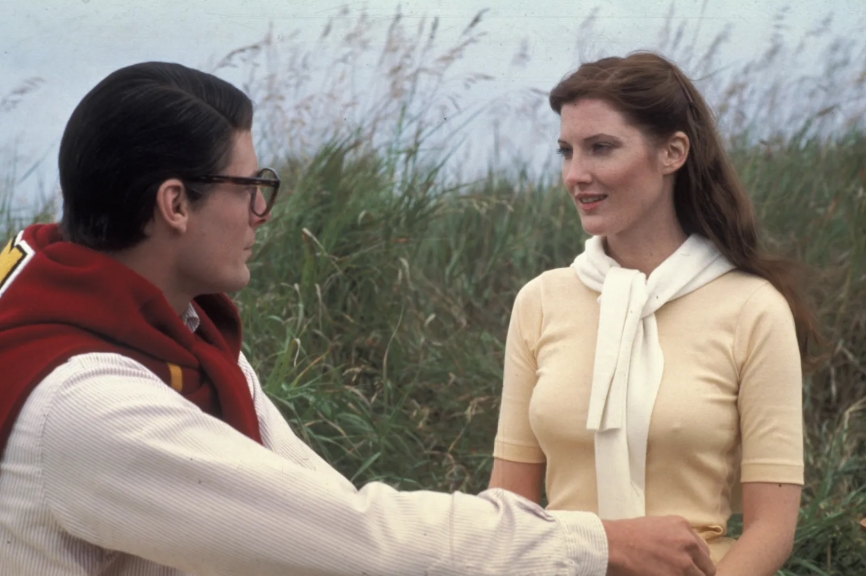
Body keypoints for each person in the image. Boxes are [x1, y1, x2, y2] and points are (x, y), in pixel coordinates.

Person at [0, 61, 715, 576]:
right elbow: (354, 539)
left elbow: (323, 509)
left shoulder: (181, 333)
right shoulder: (86, 406)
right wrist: (594, 546)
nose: (261, 213)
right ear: (175, 204)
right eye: (250, 187)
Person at [489, 52, 816, 576]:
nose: (575, 174)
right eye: (567, 151)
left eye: (601, 148)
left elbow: (771, 528)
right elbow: (508, 507)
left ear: (672, 152)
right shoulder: (541, 301)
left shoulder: (753, 309)